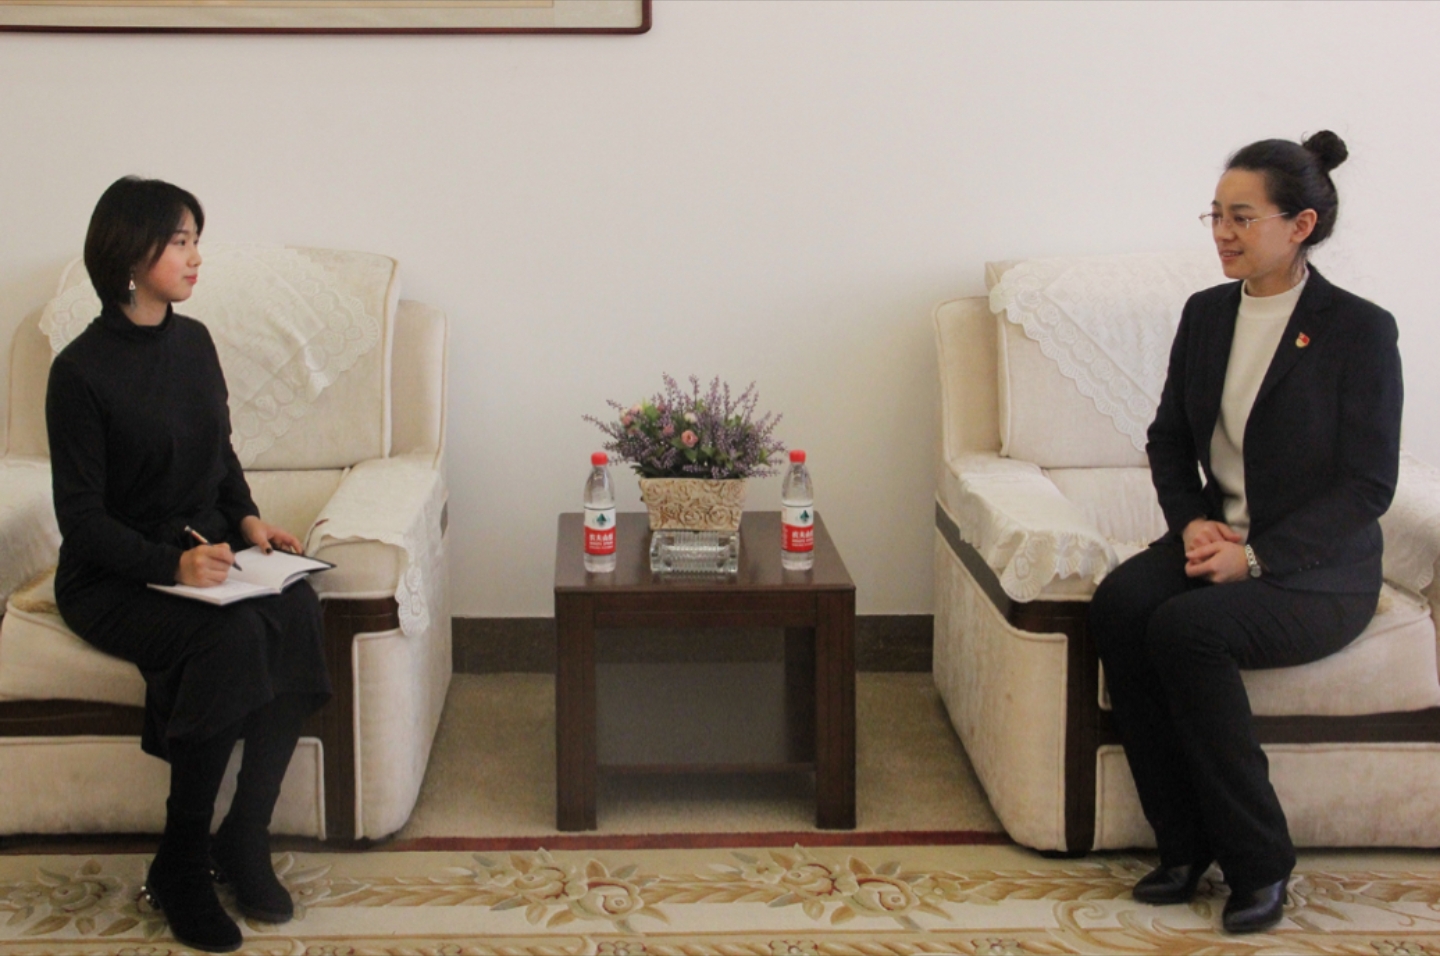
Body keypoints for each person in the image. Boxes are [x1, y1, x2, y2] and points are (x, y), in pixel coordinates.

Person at [1089, 132, 1402, 935]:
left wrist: (1257, 556)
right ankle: (1183, 845)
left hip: (1317, 572)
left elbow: (1367, 485)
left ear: (1300, 226)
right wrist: (1193, 522)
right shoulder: (1207, 314)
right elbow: (1167, 439)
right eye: (1215, 216)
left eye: (1241, 217)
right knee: (1121, 603)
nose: (1222, 234)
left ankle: (1260, 863)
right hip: (1218, 535)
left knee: (1187, 630)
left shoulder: (1359, 330)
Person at [47, 176, 332, 954]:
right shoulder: (79, 372)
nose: (196, 257)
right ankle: (180, 860)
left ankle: (244, 836)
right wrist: (172, 567)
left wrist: (248, 520)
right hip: (113, 577)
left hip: (205, 552)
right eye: (180, 242)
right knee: (229, 639)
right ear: (128, 254)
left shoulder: (195, 341)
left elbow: (220, 454)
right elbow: (81, 522)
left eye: (195, 240)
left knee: (298, 610)